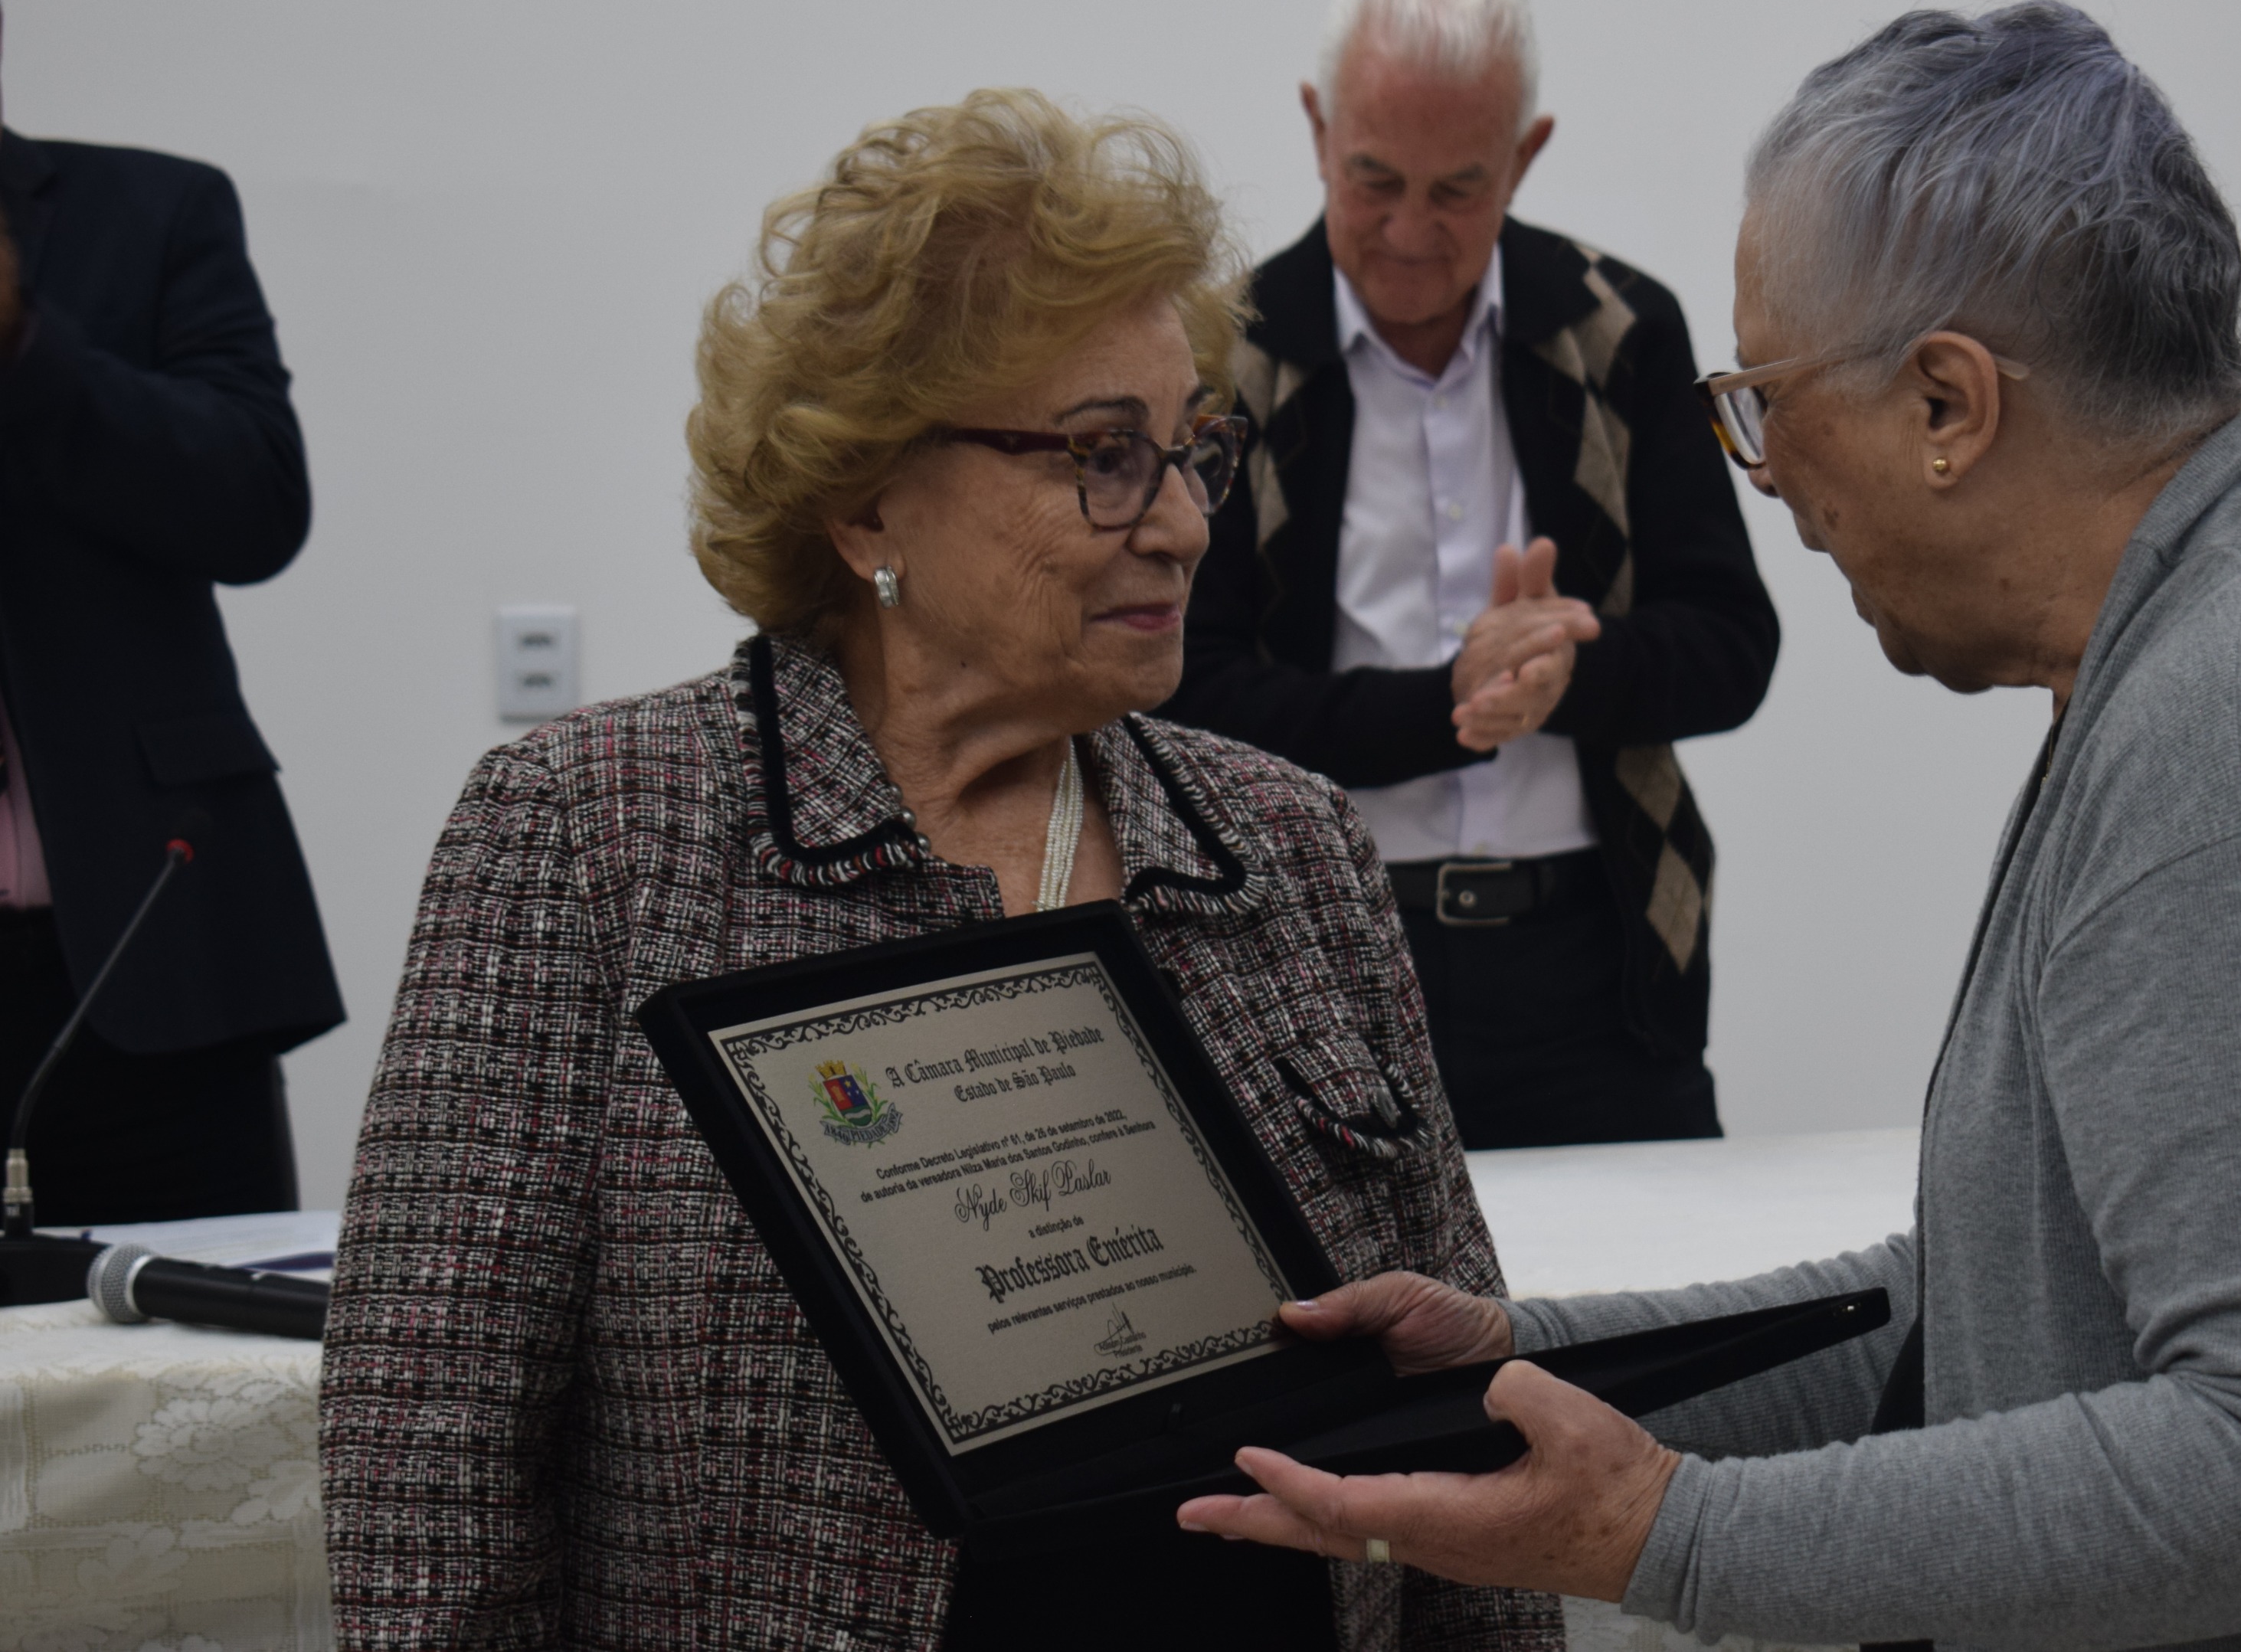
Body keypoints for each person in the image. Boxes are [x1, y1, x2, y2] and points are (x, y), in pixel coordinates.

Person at [1179, 3, 2241, 1649]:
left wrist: (1661, 1534)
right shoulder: (2220, 637)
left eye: (1765, 407)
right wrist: (1516, 1372)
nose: (1767, 484)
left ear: (1947, 405)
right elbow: (1991, 1309)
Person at [319, 92, 1559, 1652]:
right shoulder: (592, 835)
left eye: (1191, 451)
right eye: (1102, 457)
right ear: (865, 500)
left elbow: (1460, 1429)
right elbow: (426, 1468)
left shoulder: (1288, 845)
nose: (1180, 524)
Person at [1164, 0, 1778, 1150]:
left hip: (1596, 966)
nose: (1408, 233)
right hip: (1313, 965)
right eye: (1374, 180)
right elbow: (1191, 701)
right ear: (1317, 129)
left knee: (1648, 1315)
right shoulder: (1226, 357)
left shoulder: (1622, 331)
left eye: (1459, 189)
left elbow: (1731, 648)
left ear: (1528, 154)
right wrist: (1449, 703)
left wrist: (1565, 675)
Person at [0, 0, 341, 1225]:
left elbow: (255, 503)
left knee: (207, 1384)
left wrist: (28, 346)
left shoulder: (145, 214)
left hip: (147, 959)